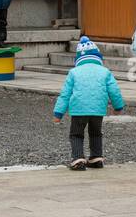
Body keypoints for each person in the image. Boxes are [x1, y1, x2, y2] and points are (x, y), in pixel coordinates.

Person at [53, 36, 126, 170]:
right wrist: (118, 107)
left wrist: (58, 113)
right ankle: (96, 157)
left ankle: (78, 158)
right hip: (98, 110)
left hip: (78, 109)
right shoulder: (105, 72)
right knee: (96, 133)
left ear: (78, 58)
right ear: (98, 57)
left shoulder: (73, 72)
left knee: (76, 134)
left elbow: (65, 94)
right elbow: (114, 90)